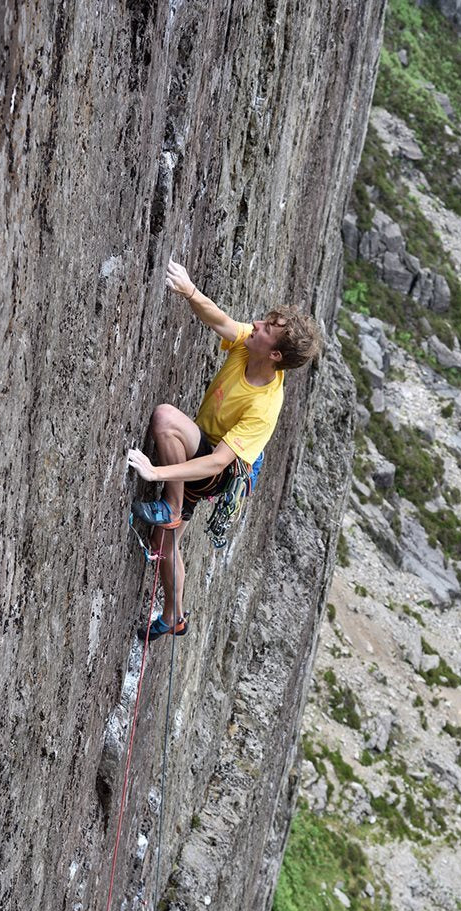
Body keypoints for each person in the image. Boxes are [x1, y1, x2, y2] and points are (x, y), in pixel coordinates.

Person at [127, 257, 321, 641]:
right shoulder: (253, 347)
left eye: (266, 327)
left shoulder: (264, 406)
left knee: (166, 419)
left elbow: (218, 461)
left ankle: (172, 505)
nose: (257, 325)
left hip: (216, 468)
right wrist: (189, 291)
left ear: (276, 355)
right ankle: (174, 616)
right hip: (206, 450)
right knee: (165, 542)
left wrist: (157, 474)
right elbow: (220, 321)